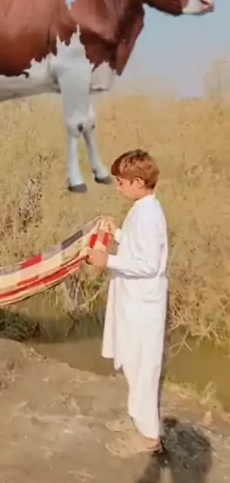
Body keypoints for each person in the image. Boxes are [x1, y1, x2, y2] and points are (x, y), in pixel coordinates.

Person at [85, 149, 168, 458]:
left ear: (137, 182)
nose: (117, 186)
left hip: (143, 307)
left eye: (121, 182)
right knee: (134, 365)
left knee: (143, 369)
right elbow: (137, 247)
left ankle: (149, 439)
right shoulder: (142, 208)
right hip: (134, 302)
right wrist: (117, 232)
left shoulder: (149, 216)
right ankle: (138, 420)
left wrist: (107, 260)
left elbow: (147, 264)